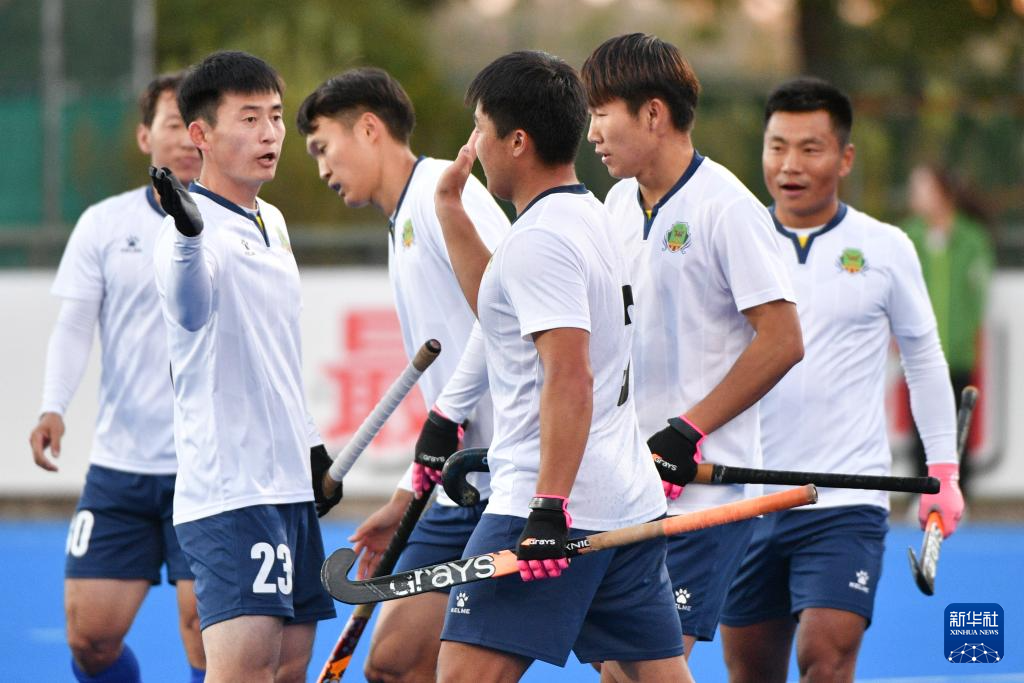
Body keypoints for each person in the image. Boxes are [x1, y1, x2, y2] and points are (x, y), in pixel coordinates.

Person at [432, 50, 690, 682]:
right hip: (625, 502)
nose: (474, 144)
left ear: (517, 141)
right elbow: (502, 308)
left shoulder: (541, 239)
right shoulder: (587, 213)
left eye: (480, 128)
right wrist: (450, 210)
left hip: (550, 507)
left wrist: (548, 506)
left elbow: (570, 376)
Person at [718, 77, 965, 683]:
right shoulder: (730, 239)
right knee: (752, 673)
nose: (790, 165)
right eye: (777, 147)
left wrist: (944, 469)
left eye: (810, 148)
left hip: (846, 498)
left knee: (825, 659)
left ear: (845, 158)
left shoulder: (886, 247)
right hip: (743, 497)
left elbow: (924, 359)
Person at [581, 33, 803, 659]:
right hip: (628, 488)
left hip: (703, 496)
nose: (591, 133)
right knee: (622, 669)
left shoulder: (727, 207)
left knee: (650, 662)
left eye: (601, 113)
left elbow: (783, 340)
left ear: (653, 113)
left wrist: (688, 430)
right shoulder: (616, 203)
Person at [296, 66, 509, 682]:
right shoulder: (403, 221)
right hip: (456, 485)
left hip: (511, 480)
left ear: (368, 129)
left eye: (323, 148)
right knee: (392, 666)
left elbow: (510, 315)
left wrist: (449, 417)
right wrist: (404, 495)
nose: (322, 169)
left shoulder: (448, 192)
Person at [150, 51, 341, 683]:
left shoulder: (273, 221)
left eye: (276, 117)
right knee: (245, 672)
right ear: (200, 134)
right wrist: (187, 235)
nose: (270, 134)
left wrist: (311, 447)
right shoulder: (184, 232)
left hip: (288, 488)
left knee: (289, 669)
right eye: (250, 118)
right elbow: (189, 310)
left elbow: (276, 351)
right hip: (232, 492)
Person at [28, 72, 206, 683]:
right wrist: (53, 406)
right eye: (173, 123)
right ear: (144, 136)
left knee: (206, 633)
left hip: (207, 471)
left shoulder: (237, 223)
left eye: (196, 124)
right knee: (90, 640)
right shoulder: (103, 224)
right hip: (120, 469)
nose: (186, 138)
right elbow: (75, 324)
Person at [903, 162, 994, 499]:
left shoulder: (972, 239)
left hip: (958, 353)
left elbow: (978, 297)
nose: (914, 195)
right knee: (919, 427)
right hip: (917, 355)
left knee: (960, 426)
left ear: (941, 192)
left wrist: (971, 339)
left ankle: (959, 494)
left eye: (921, 187)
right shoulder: (907, 236)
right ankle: (921, 493)